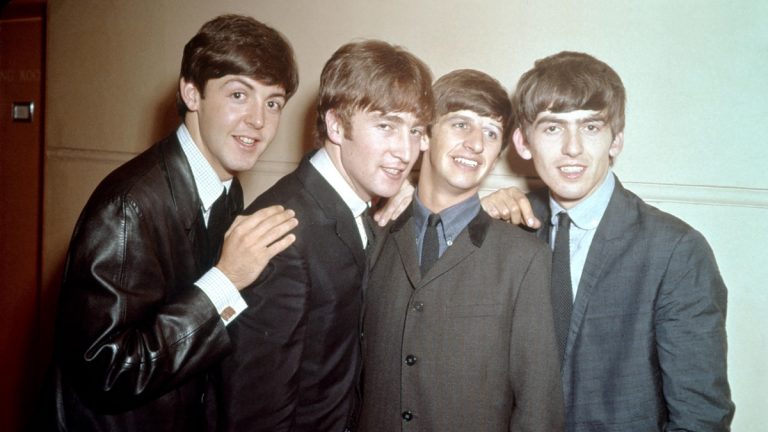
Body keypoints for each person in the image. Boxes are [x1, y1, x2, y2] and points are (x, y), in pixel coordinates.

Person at [45, 14, 300, 432]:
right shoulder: (128, 206)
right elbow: (106, 371)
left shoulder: (226, 189)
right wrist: (225, 280)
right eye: (239, 95)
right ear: (191, 93)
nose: (259, 120)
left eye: (273, 103)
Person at [484, 51, 734, 431]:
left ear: (615, 140)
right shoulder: (506, 229)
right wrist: (471, 227)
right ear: (522, 142)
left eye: (590, 127)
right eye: (552, 128)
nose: (572, 148)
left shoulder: (676, 252)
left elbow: (700, 419)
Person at [206, 40, 434, 432]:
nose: (405, 151)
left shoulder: (361, 207)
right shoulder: (283, 232)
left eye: (415, 131)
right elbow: (256, 413)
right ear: (336, 125)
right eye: (386, 126)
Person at [358, 69, 564, 432]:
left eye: (491, 132)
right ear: (425, 134)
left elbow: (539, 406)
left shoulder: (523, 259)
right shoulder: (374, 235)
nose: (476, 144)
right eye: (460, 124)